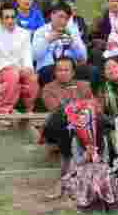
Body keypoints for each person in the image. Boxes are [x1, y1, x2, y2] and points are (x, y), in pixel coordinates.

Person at [40, 57, 97, 197]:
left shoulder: (84, 86)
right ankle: (68, 167)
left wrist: (78, 108)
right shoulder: (48, 88)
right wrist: (77, 106)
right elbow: (55, 109)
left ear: (73, 72)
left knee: (93, 122)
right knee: (63, 121)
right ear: (55, 72)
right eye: (59, 70)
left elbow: (92, 106)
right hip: (58, 127)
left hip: (81, 126)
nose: (63, 73)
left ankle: (77, 173)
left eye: (66, 70)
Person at [60, 97, 118, 213]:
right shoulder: (76, 139)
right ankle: (87, 203)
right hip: (82, 167)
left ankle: (106, 201)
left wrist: (97, 157)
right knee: (87, 175)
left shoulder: (102, 137)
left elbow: (106, 158)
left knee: (103, 174)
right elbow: (77, 161)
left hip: (100, 165)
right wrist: (87, 155)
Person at [0, 3, 39, 122]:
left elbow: (27, 53)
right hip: (2, 68)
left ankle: (29, 110)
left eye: (13, 17)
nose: (10, 20)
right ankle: (3, 112)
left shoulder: (24, 33)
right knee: (12, 74)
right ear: (1, 19)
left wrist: (28, 67)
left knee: (32, 77)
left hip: (19, 68)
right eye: (6, 17)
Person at [32, 4, 88, 85]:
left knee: (92, 71)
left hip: (70, 67)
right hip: (48, 68)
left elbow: (83, 57)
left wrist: (73, 44)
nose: (63, 21)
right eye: (60, 17)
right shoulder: (41, 31)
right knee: (55, 71)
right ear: (52, 15)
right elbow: (35, 56)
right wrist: (48, 40)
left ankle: (87, 96)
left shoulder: (72, 32)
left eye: (66, 18)